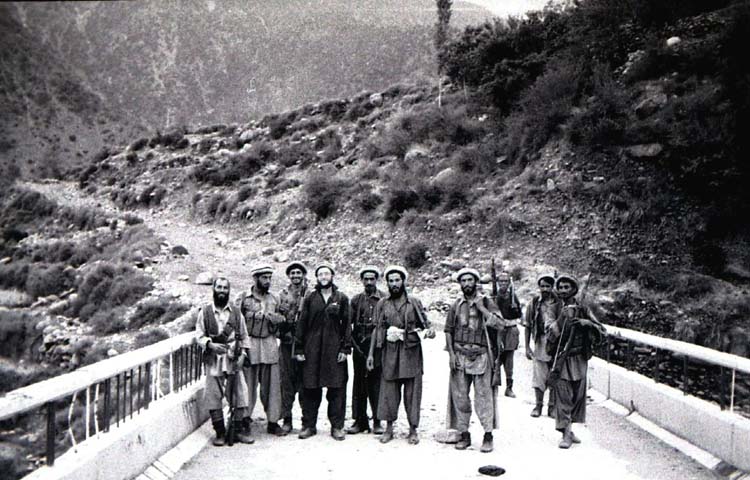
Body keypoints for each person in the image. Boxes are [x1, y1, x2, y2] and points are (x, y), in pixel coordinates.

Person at [367, 265, 435, 445]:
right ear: (387, 283)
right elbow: (377, 328)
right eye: (391, 281)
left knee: (412, 392)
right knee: (389, 390)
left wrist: (429, 332)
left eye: (397, 280)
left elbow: (427, 325)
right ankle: (389, 428)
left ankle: (413, 429)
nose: (394, 284)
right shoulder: (383, 303)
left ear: (403, 281)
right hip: (389, 352)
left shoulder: (414, 302)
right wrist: (371, 355)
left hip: (410, 352)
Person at [444, 268, 504, 453]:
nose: (466, 284)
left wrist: (482, 309)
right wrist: (452, 355)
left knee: (484, 398)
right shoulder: (456, 305)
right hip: (460, 355)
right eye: (463, 281)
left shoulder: (487, 301)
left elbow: (500, 324)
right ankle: (464, 434)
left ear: (476, 282)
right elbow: (448, 330)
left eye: (470, 280)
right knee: (460, 397)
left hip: (481, 356)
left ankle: (488, 435)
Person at [294, 263, 352, 441]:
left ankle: (337, 426)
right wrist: (299, 348)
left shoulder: (341, 298)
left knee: (336, 388)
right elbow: (302, 324)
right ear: (317, 277)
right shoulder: (311, 298)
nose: (324, 277)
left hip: (334, 349)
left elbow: (347, 325)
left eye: (327, 273)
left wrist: (345, 348)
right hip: (312, 349)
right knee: (310, 387)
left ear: (332, 276)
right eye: (320, 274)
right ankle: (309, 425)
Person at [548, 274, 606, 449]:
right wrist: (562, 318)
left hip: (579, 359)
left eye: (567, 287)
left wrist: (585, 323)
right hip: (561, 359)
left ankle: (569, 429)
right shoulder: (553, 308)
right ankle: (565, 434)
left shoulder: (583, 308)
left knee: (577, 397)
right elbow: (549, 332)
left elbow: (602, 331)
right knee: (563, 396)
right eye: (561, 287)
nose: (564, 290)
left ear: (573, 289)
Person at [195, 276, 253, 445]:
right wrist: (210, 345)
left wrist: (243, 355)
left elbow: (244, 336)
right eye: (219, 287)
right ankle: (220, 432)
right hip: (214, 359)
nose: (221, 291)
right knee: (213, 395)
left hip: (233, 357)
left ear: (229, 290)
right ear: (213, 289)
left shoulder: (236, 312)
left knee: (240, 393)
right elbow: (199, 335)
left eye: (225, 288)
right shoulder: (205, 312)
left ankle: (238, 431)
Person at [236, 265, 286, 440]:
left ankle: (273, 421)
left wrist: (278, 320)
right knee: (247, 385)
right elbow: (236, 321)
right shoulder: (243, 298)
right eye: (264, 278)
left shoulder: (275, 298)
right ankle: (244, 420)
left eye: (269, 278)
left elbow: (282, 319)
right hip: (250, 344)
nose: (267, 281)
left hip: (269, 344)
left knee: (272, 386)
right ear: (255, 278)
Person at [346, 265, 386, 435]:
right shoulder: (355, 300)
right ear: (362, 280)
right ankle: (359, 420)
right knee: (359, 383)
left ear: (376, 280)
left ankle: (377, 420)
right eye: (366, 279)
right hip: (359, 346)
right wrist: (353, 344)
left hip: (377, 346)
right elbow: (349, 324)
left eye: (372, 279)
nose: (369, 282)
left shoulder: (384, 298)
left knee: (376, 382)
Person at [523, 274, 563, 418]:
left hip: (557, 345)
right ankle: (538, 405)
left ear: (553, 287)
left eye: (548, 286)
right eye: (542, 286)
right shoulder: (534, 303)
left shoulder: (560, 303)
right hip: (540, 343)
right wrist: (527, 346)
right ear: (539, 287)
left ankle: (552, 407)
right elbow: (527, 325)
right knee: (539, 377)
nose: (545, 289)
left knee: (555, 376)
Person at [277, 261, 308, 434]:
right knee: (286, 383)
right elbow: (277, 317)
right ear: (289, 275)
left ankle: (306, 420)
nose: (296, 276)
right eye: (293, 273)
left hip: (304, 345)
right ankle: (287, 419)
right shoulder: (282, 295)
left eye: (299, 273)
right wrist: (284, 330)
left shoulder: (309, 294)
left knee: (304, 383)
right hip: (287, 344)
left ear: (303, 275)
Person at [493, 271, 522, 398]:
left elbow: (519, 314)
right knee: (495, 359)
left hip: (510, 330)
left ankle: (509, 388)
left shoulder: (513, 296)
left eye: (505, 281)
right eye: (501, 281)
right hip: (497, 330)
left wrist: (515, 308)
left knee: (509, 361)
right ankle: (494, 386)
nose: (503, 284)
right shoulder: (494, 296)